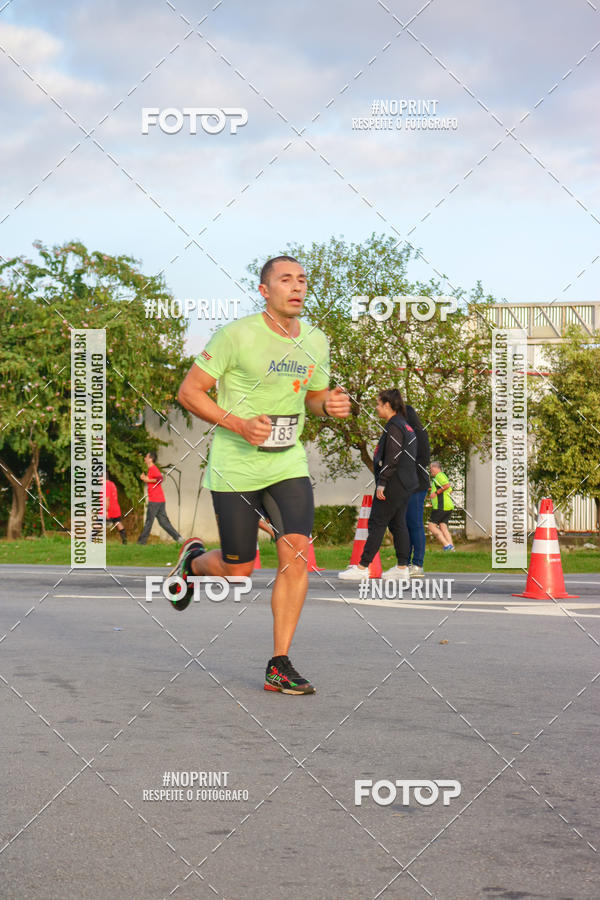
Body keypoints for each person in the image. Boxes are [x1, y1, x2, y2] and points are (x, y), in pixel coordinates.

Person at [172, 255, 351, 695]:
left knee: (297, 554)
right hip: (236, 466)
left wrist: (327, 405)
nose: (297, 287)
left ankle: (279, 663)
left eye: (302, 280)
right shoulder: (236, 335)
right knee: (239, 571)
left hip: (287, 462)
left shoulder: (316, 340)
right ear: (264, 291)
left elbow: (313, 396)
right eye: (285, 280)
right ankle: (193, 563)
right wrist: (238, 424)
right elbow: (189, 392)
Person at [338, 388, 418, 581]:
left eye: (378, 404)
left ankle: (363, 567)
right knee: (398, 524)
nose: (376, 408)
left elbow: (393, 457)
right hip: (406, 483)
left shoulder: (394, 426)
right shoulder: (406, 426)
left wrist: (382, 483)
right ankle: (401, 567)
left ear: (388, 405)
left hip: (394, 483)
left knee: (377, 522)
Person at [405, 405, 430, 577]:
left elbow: (424, 459)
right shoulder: (405, 433)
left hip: (417, 484)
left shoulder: (418, 433)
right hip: (405, 484)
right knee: (404, 525)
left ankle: (418, 564)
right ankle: (404, 563)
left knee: (414, 523)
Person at [137, 452, 183, 545]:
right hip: (160, 500)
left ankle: (141, 542)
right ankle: (179, 538)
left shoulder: (153, 468)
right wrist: (145, 478)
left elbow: (160, 479)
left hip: (155, 500)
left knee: (149, 521)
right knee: (163, 522)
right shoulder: (150, 469)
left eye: (146, 457)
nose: (145, 458)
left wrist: (147, 479)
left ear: (150, 459)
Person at [427, 461, 455, 551]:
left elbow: (447, 485)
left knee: (431, 526)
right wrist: (434, 490)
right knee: (443, 526)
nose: (430, 470)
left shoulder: (439, 476)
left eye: (431, 468)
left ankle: (446, 545)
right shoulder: (442, 477)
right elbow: (450, 490)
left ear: (436, 468)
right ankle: (451, 547)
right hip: (448, 506)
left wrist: (436, 493)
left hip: (441, 507)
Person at [105, 474, 127, 544]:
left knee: (98, 524)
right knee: (118, 523)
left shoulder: (106, 485)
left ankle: (90, 541)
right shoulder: (112, 484)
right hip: (116, 508)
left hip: (109, 509)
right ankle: (124, 540)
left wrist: (106, 511)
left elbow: (107, 499)